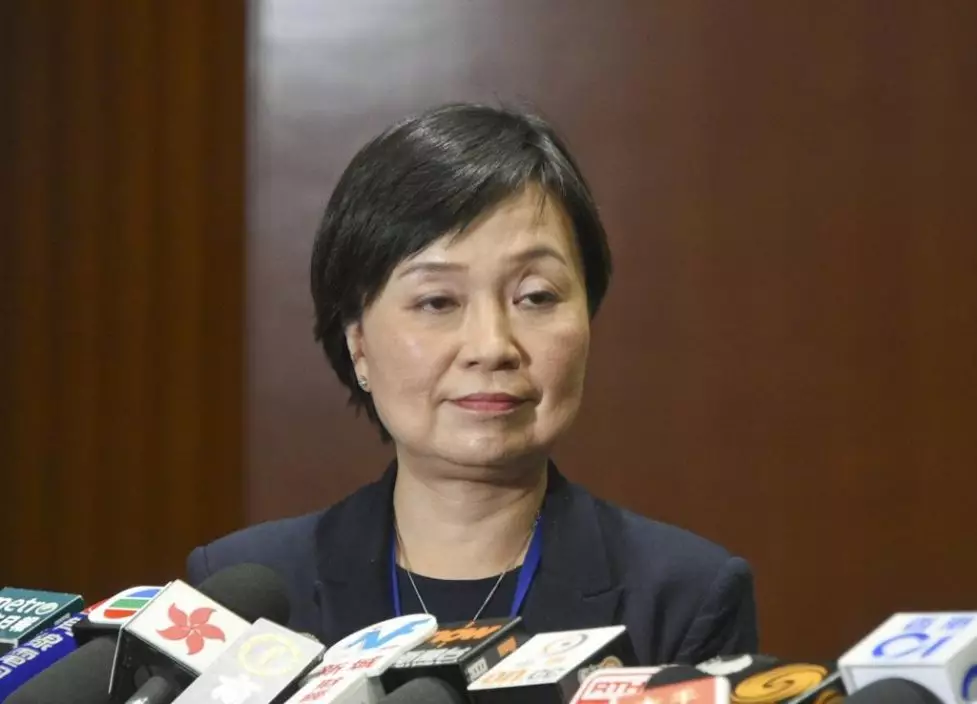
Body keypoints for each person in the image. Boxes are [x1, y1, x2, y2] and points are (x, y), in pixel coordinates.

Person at [187, 102, 759, 664]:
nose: (492, 346)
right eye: (438, 301)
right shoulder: (244, 598)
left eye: (536, 296)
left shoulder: (682, 599)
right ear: (358, 343)